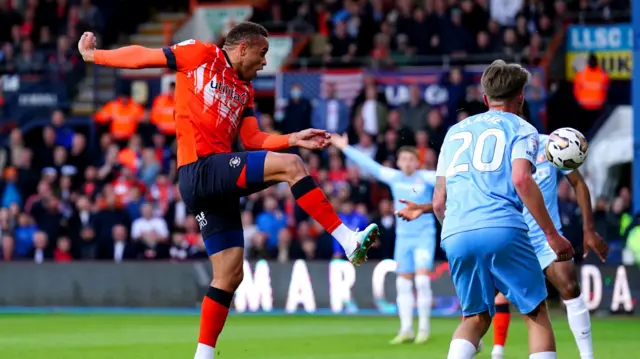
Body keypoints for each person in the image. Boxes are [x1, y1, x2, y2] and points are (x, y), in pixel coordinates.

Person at [77, 22, 379, 359]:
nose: (265, 62)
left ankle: (202, 356)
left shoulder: (245, 89)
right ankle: (347, 240)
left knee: (230, 273)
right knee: (292, 167)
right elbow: (143, 57)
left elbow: (253, 140)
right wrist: (94, 56)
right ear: (244, 48)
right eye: (262, 54)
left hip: (214, 184)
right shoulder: (200, 54)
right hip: (200, 168)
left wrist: (292, 138)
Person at [398, 60, 574, 359]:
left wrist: (454, 232)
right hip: (503, 227)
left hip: (455, 231)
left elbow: (439, 201)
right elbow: (521, 179)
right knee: (535, 312)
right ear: (520, 97)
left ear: (485, 98)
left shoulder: (454, 132)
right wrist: (552, 235)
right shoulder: (523, 128)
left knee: (474, 319)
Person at [399, 133, 610, 359]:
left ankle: (587, 356)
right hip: (511, 237)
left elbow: (577, 182)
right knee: (491, 309)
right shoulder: (495, 150)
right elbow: (473, 195)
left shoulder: (551, 144)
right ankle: (495, 350)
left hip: (543, 240)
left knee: (569, 287)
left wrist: (588, 230)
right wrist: (425, 207)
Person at [332, 135, 436, 344]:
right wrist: (346, 148)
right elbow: (369, 165)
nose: (407, 163)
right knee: (403, 284)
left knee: (423, 281)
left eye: (411, 159)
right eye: (403, 159)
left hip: (424, 236)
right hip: (404, 238)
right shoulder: (395, 177)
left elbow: (449, 177)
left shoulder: (427, 178)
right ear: (398, 162)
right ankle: (406, 328)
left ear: (418, 162)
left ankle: (424, 329)